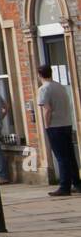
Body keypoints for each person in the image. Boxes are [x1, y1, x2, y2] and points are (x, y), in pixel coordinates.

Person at [37, 64, 81, 197]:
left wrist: (46, 124)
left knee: (61, 157)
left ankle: (64, 186)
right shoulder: (60, 87)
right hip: (67, 124)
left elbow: (47, 109)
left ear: (39, 75)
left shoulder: (44, 89)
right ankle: (77, 184)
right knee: (70, 157)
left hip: (55, 126)